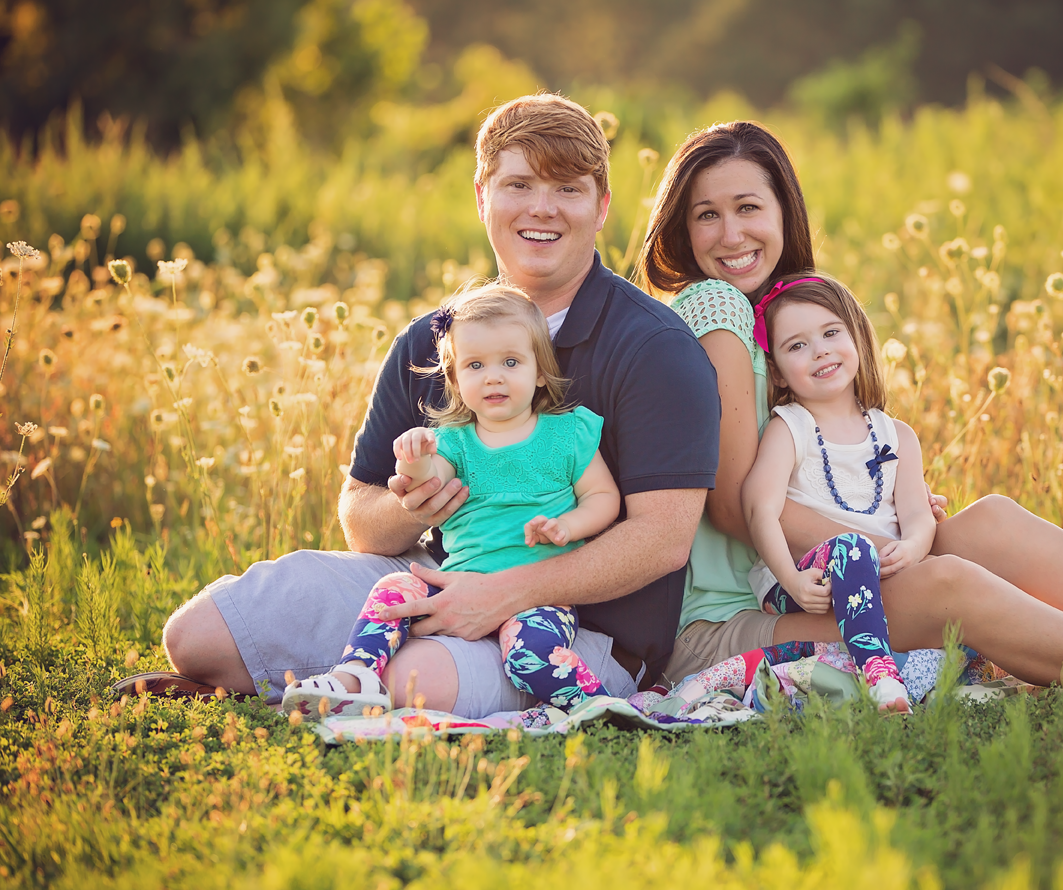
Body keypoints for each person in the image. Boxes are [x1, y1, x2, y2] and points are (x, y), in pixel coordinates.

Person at [639, 120, 1063, 695]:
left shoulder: (781, 320)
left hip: (817, 573)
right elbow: (733, 505)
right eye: (705, 215)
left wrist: (897, 515)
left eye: (748, 207)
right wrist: (897, 546)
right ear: (680, 225)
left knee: (989, 525)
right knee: (949, 579)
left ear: (785, 211)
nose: (730, 234)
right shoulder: (715, 307)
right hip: (727, 619)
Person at [159, 94, 722, 716]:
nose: (541, 208)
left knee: (413, 680)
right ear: (482, 196)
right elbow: (361, 516)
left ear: (602, 207)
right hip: (439, 581)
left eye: (567, 188)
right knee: (195, 637)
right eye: (519, 184)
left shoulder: (655, 347)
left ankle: (341, 679)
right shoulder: (432, 341)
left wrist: (500, 595)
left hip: (581, 635)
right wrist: (411, 506)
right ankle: (328, 675)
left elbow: (662, 540)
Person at [281, 285, 621, 716]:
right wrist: (417, 459)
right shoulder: (454, 442)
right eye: (475, 365)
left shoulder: (567, 433)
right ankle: (355, 675)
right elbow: (431, 481)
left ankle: (594, 704)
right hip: (459, 582)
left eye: (511, 362)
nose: (493, 376)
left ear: (539, 371)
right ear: (456, 379)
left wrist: (568, 527)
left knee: (530, 653)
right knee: (392, 589)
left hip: (540, 595)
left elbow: (603, 496)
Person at [742, 273, 929, 712]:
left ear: (858, 337)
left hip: (883, 574)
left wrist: (915, 546)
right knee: (853, 548)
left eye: (830, 333)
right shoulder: (790, 427)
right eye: (797, 345)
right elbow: (759, 510)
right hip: (809, 578)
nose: (820, 350)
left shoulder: (897, 435)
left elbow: (918, 513)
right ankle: (879, 674)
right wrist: (791, 578)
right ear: (777, 371)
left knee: (965, 601)